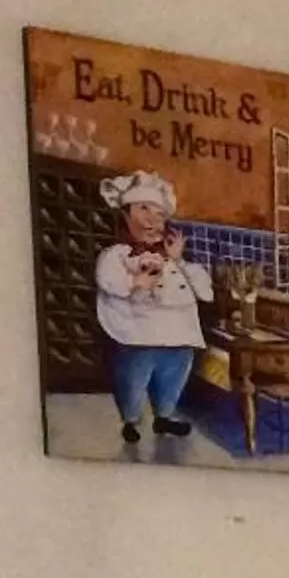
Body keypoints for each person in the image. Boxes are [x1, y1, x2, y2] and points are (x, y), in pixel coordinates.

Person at [93, 171, 212, 443]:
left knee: (173, 376)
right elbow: (108, 280)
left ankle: (165, 416)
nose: (151, 219)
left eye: (159, 214)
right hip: (137, 335)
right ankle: (131, 420)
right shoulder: (117, 255)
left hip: (179, 336)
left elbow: (204, 292)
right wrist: (136, 283)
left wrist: (178, 260)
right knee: (133, 379)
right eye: (143, 209)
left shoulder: (174, 259)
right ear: (126, 215)